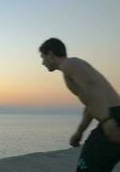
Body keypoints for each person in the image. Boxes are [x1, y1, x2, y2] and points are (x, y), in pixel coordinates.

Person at [39, 38, 120, 172]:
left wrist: (107, 121)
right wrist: (79, 132)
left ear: (51, 54)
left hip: (113, 117)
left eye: (43, 57)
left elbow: (92, 88)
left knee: (86, 167)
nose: (42, 62)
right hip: (114, 116)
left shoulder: (69, 64)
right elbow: (90, 104)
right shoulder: (74, 67)